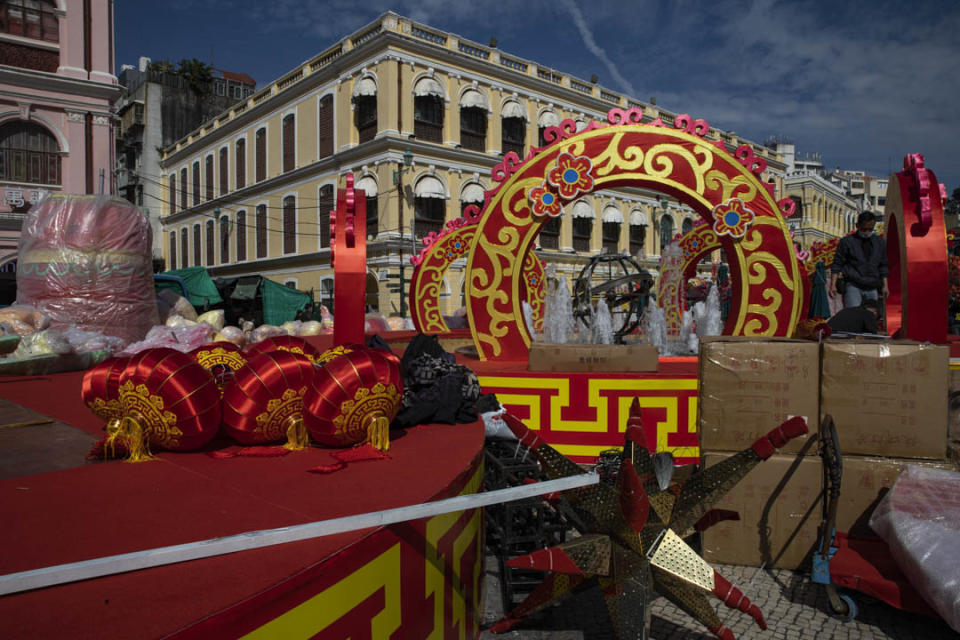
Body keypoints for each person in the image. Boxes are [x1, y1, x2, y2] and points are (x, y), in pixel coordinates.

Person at [830, 211, 889, 308]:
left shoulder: (879, 243)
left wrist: (885, 285)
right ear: (857, 226)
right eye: (864, 229)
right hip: (853, 285)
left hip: (872, 285)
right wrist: (833, 284)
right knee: (853, 315)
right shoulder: (847, 242)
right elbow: (837, 263)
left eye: (870, 229)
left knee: (871, 317)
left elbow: (883, 265)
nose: (867, 233)